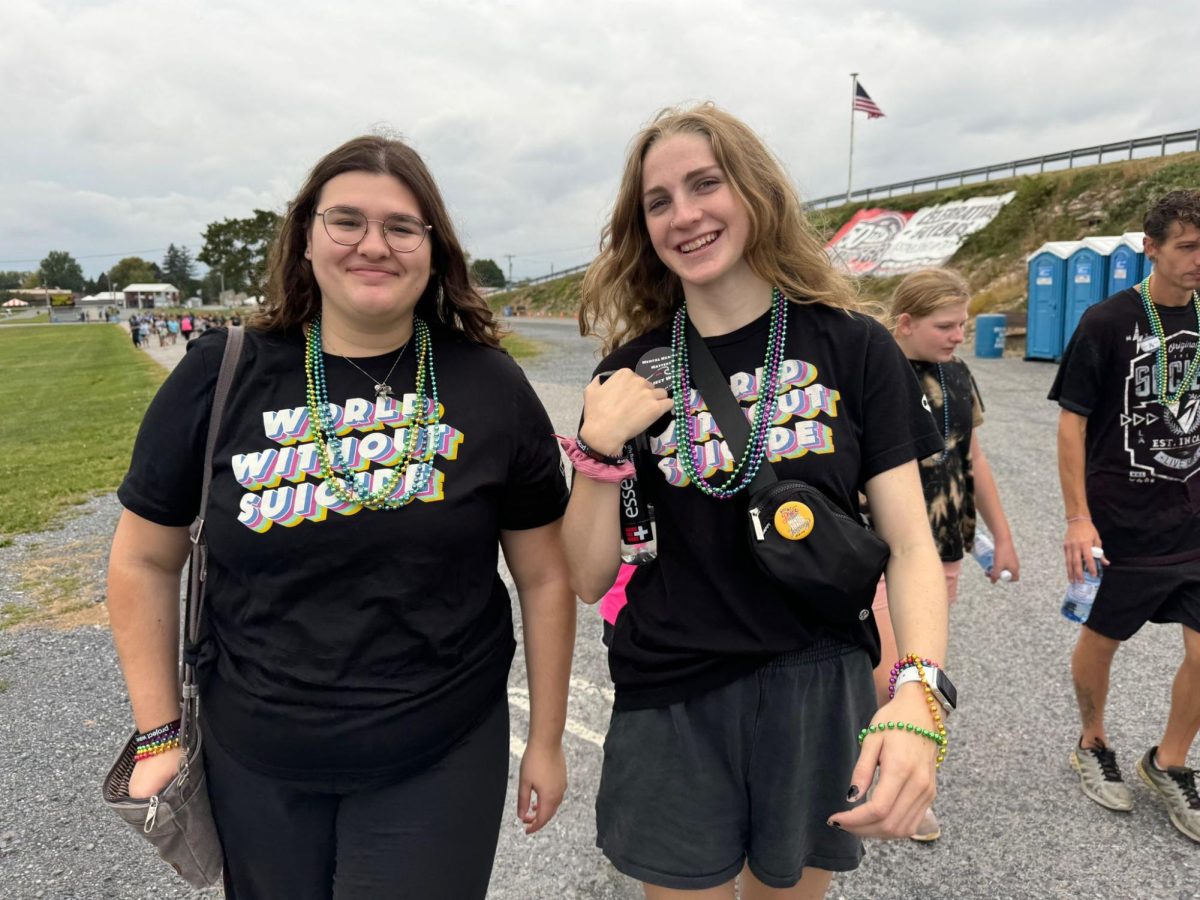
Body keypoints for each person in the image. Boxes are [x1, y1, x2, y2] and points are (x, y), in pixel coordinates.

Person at [106, 134, 577, 898]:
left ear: (433, 250)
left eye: (401, 226)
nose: (373, 245)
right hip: (255, 761)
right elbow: (143, 560)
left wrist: (547, 740)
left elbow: (546, 576)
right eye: (347, 221)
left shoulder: (490, 386)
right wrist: (159, 733)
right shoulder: (221, 373)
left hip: (438, 752)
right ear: (305, 239)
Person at [562, 103, 952, 900]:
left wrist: (917, 690)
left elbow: (912, 546)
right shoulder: (630, 371)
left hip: (816, 679)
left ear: (755, 191)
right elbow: (586, 576)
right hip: (673, 690)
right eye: (659, 201)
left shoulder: (853, 344)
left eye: (706, 184)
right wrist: (597, 453)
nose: (685, 214)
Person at [1050, 189, 1200, 843]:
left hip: (1192, 521)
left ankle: (1169, 762)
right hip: (1119, 522)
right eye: (1189, 247)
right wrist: (1078, 517)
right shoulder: (1107, 322)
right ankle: (1092, 741)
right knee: (1102, 639)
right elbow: (1071, 425)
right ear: (1152, 248)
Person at [872, 268, 1021, 842]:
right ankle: (897, 777)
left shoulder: (958, 375)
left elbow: (974, 460)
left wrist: (1002, 535)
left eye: (963, 323)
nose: (959, 335)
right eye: (945, 325)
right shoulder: (873, 373)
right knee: (892, 671)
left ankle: (898, 768)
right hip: (879, 547)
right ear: (904, 323)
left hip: (943, 547)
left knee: (919, 662)